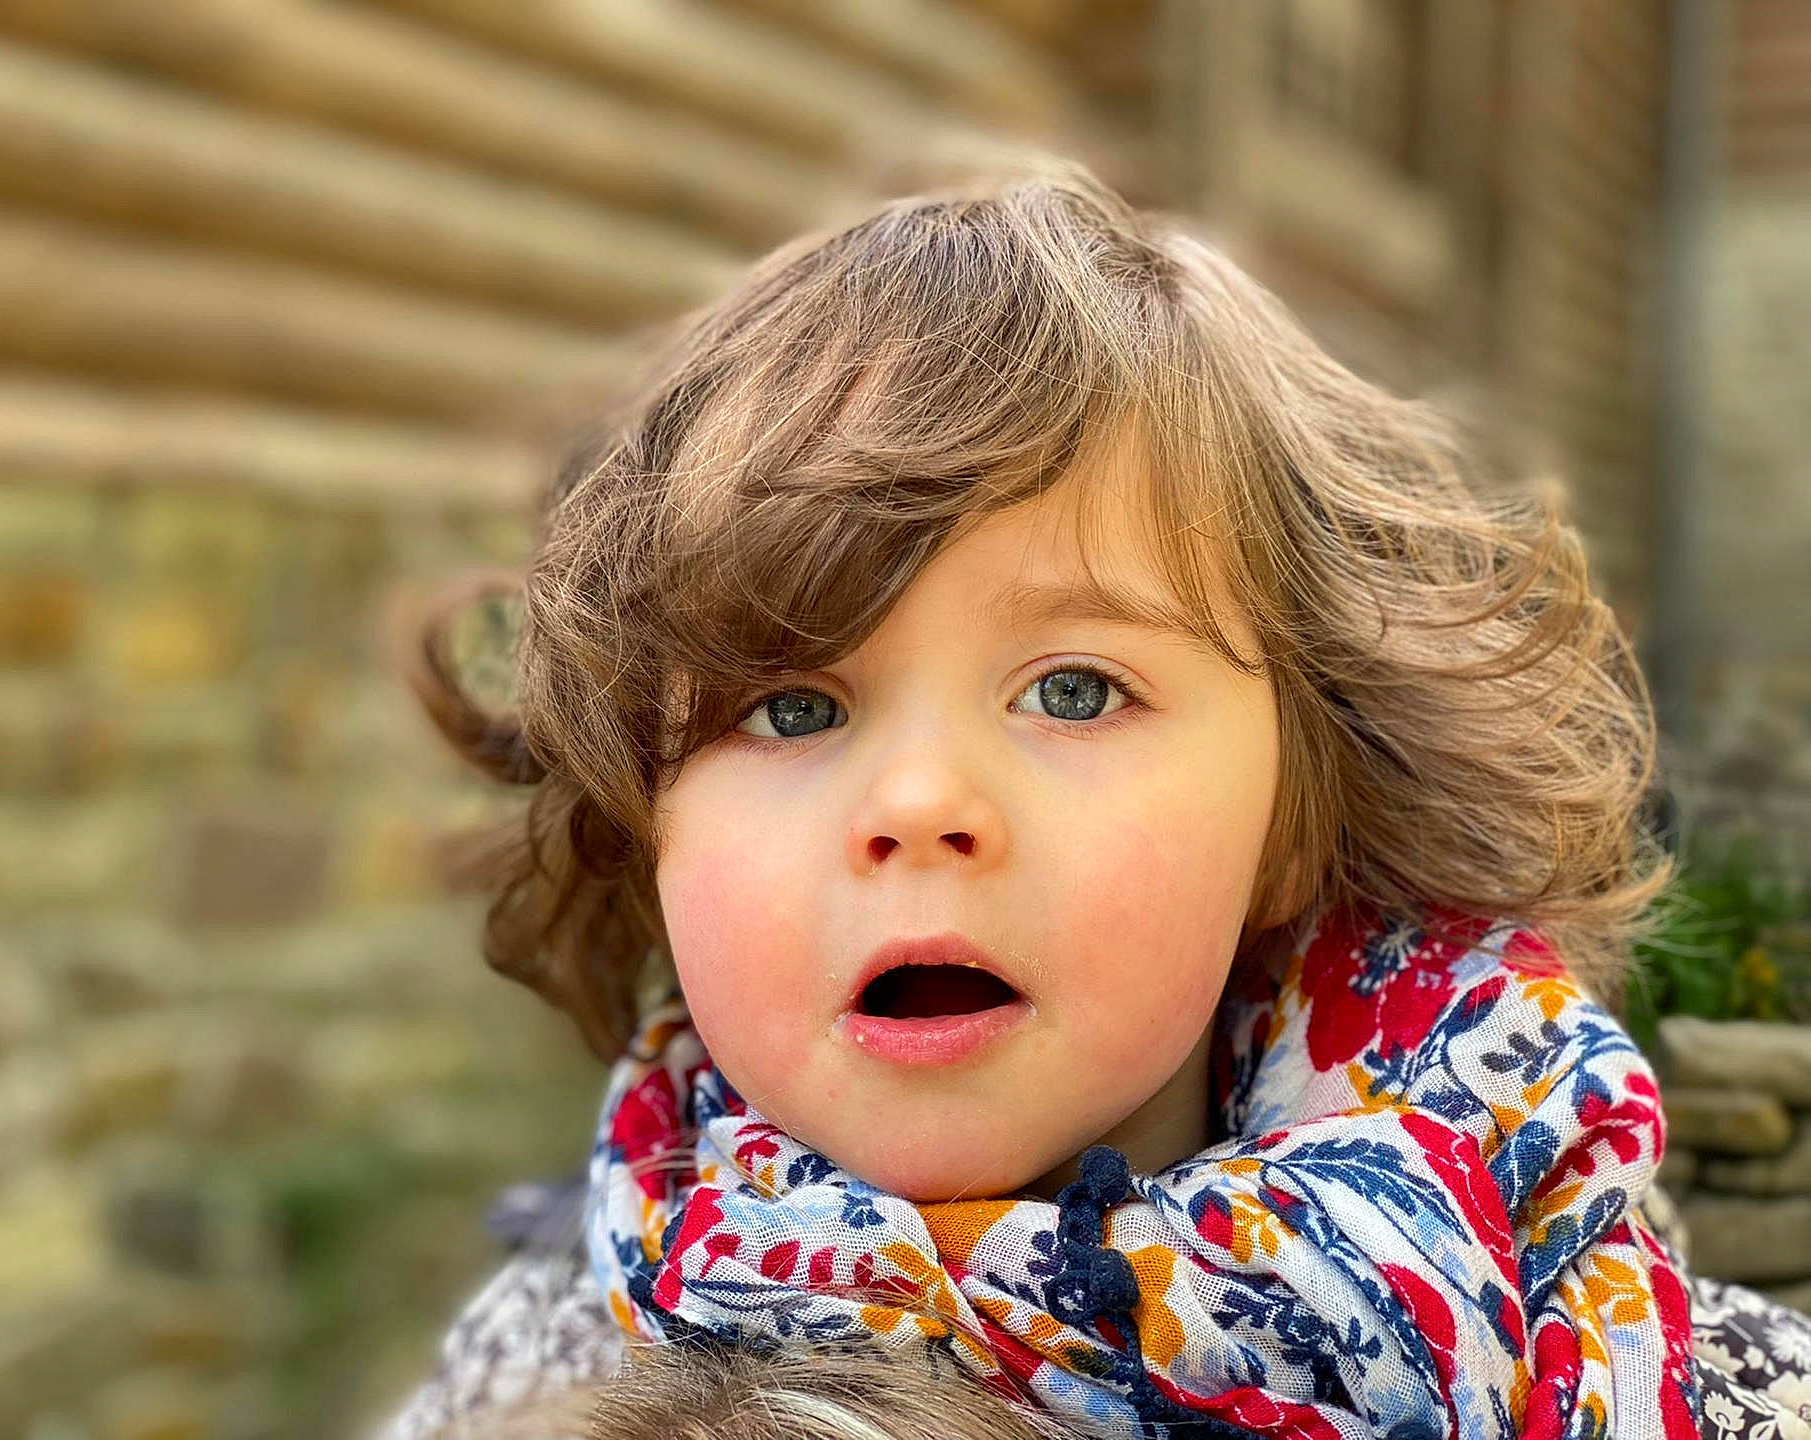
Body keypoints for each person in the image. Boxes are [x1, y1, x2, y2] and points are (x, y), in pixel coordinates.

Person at [380, 151, 1811, 1439]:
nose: (925, 802)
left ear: (1293, 815)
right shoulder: (530, 1372)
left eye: (1072, 690)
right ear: (645, 824)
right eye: (792, 706)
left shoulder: (1663, 1374)